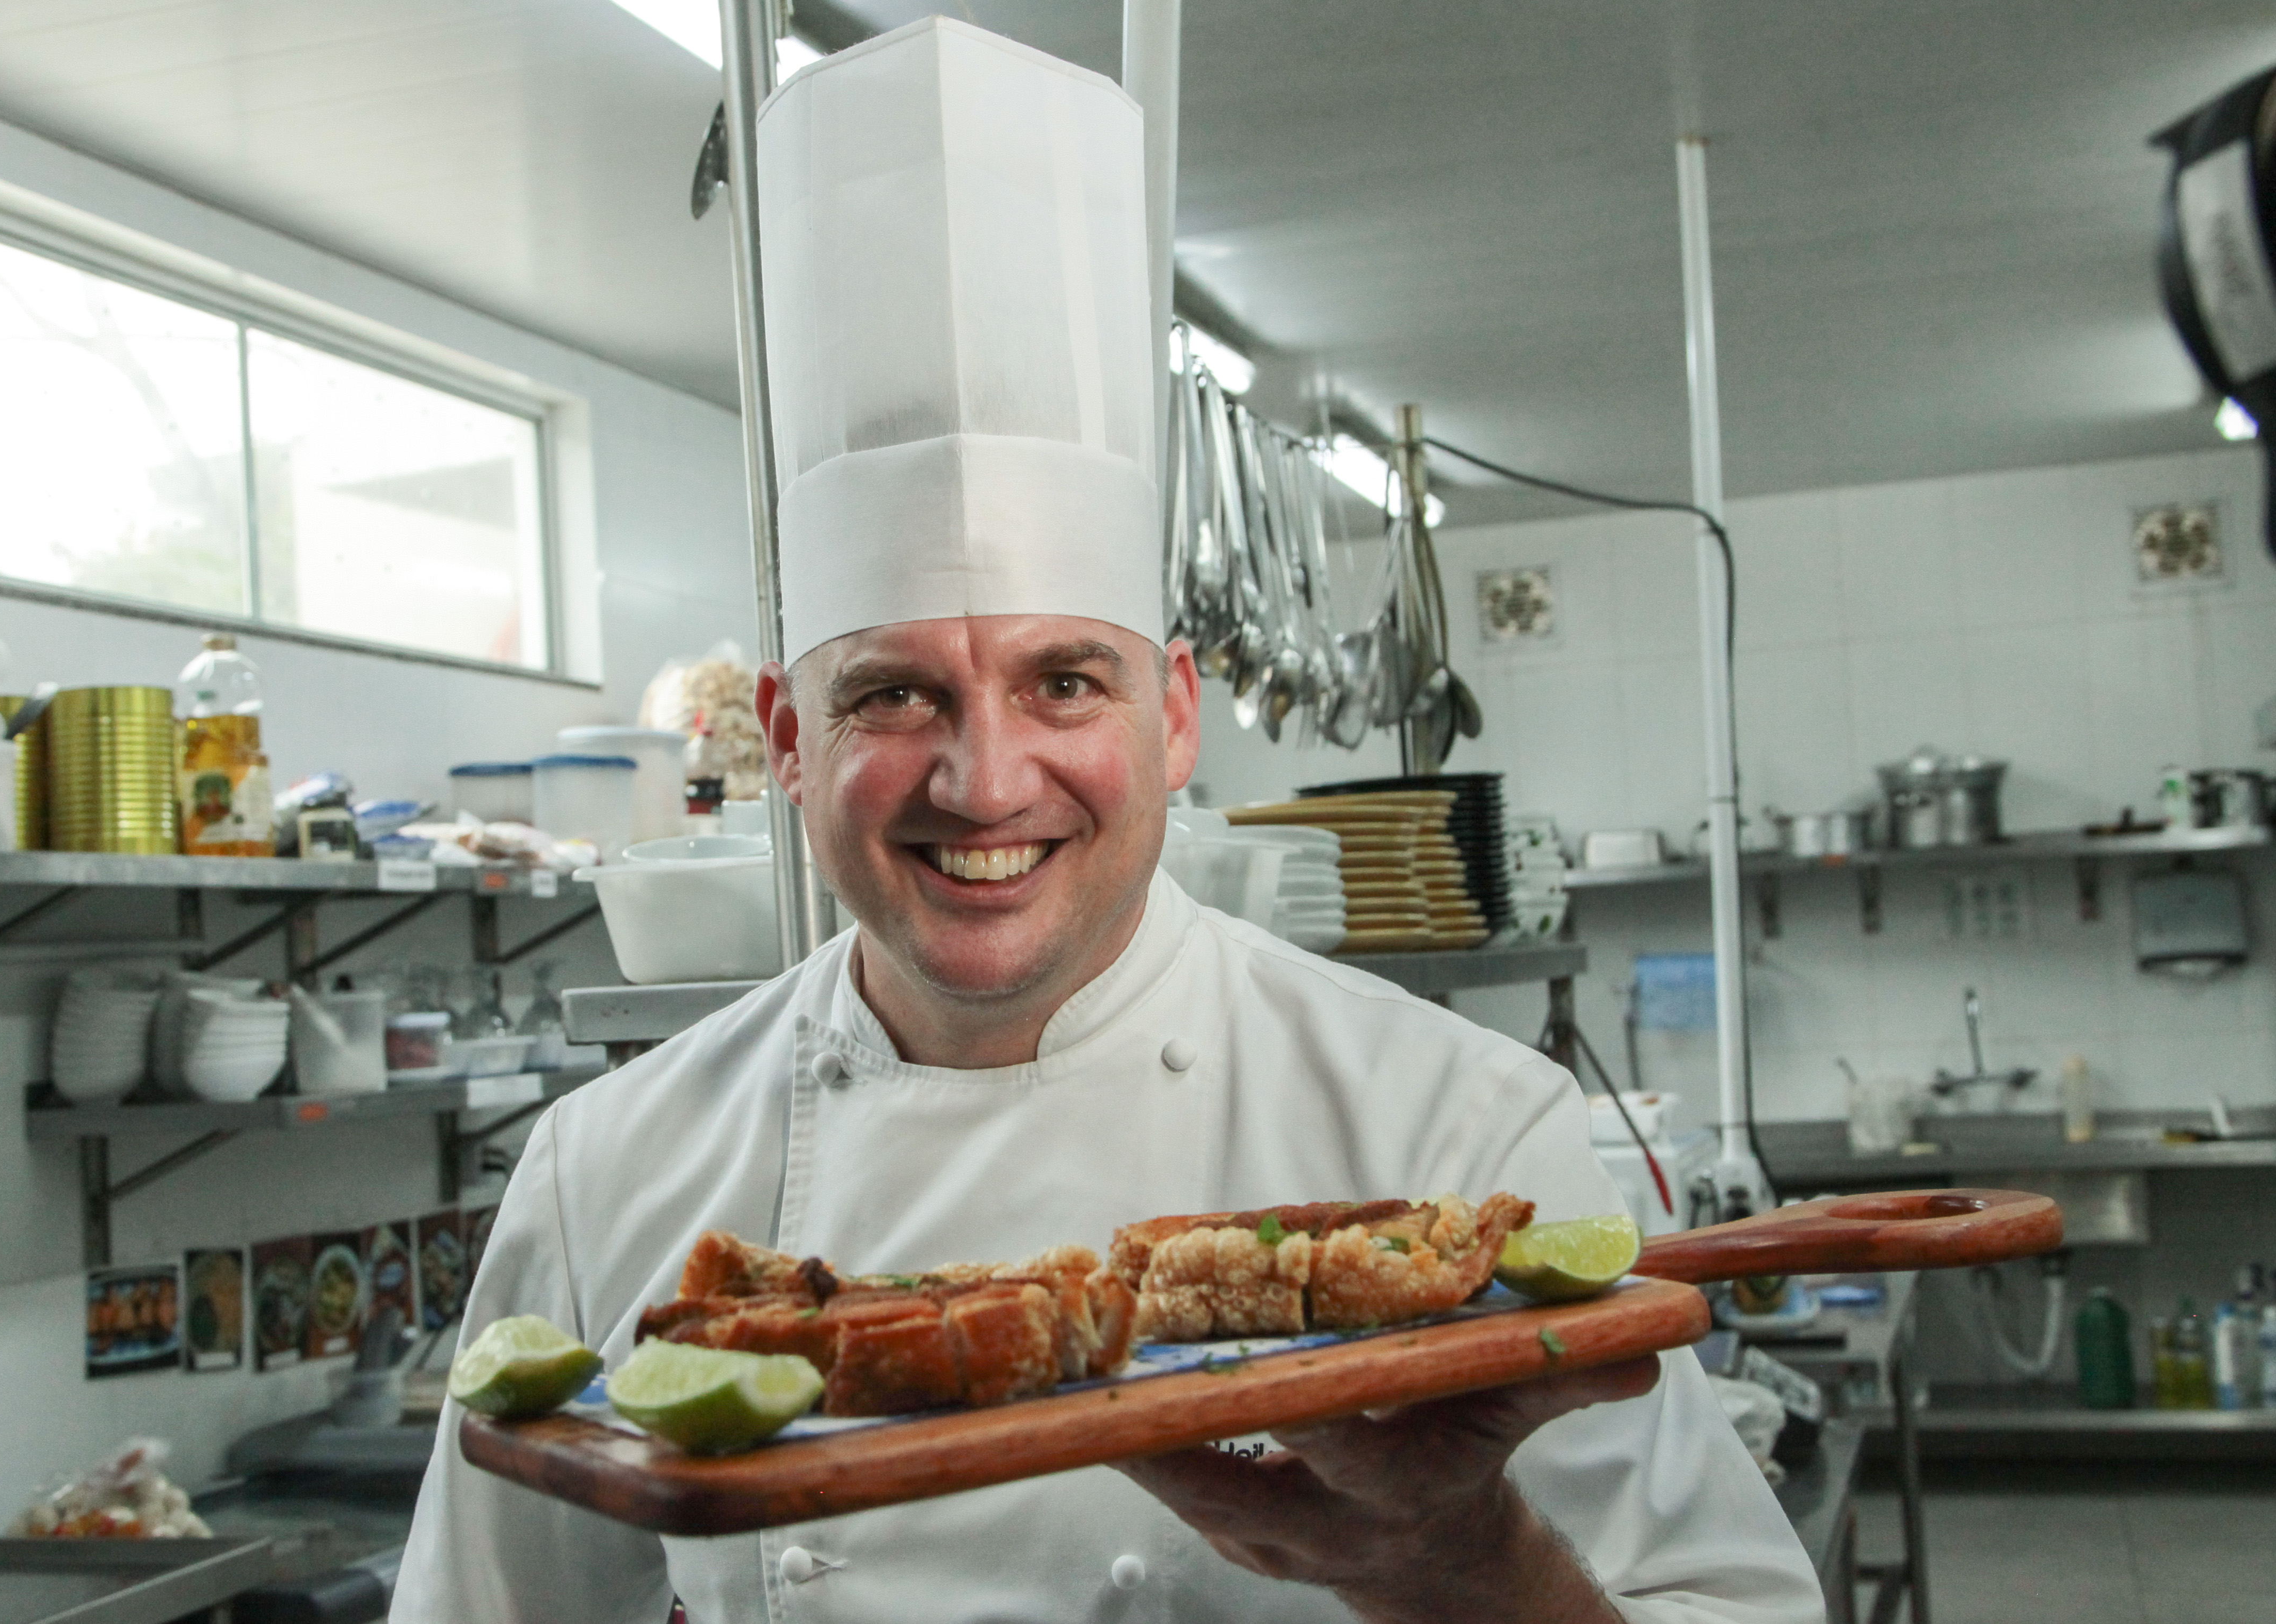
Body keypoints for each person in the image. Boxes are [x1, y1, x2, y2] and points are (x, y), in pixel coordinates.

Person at [393, 18, 1822, 1623]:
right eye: (895, 696)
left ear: (1179, 717)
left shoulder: (1453, 1137)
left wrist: (1466, 1567)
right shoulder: (608, 1171)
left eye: (1066, 683)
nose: (985, 782)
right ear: (788, 741)